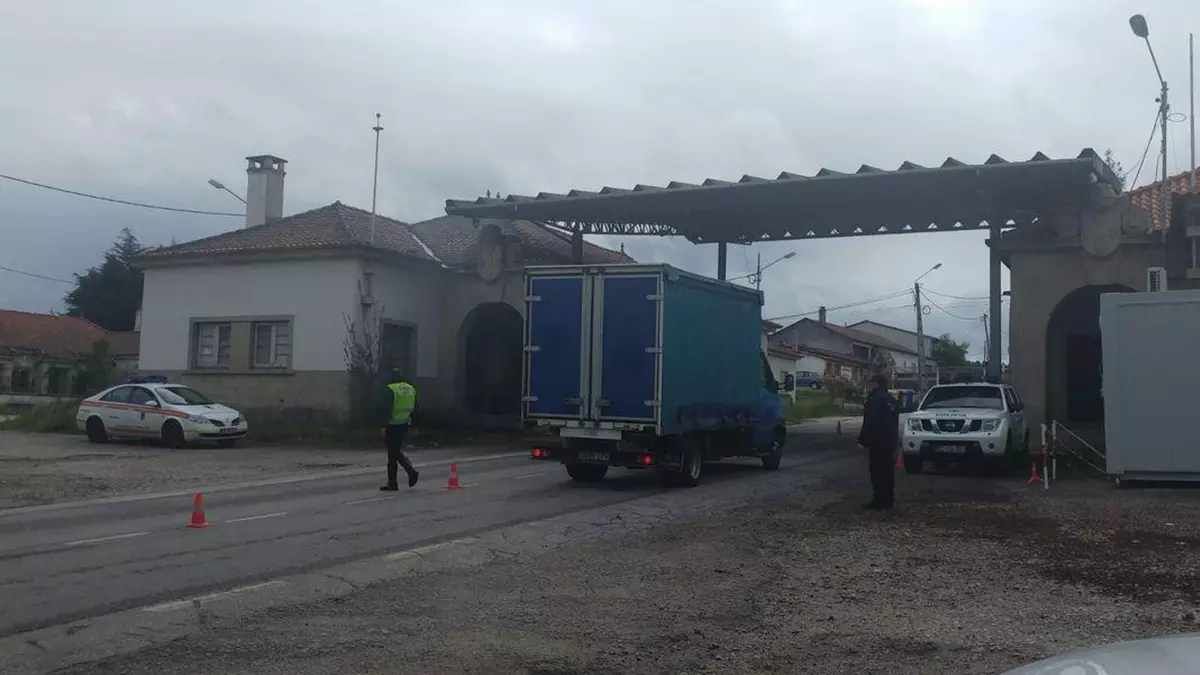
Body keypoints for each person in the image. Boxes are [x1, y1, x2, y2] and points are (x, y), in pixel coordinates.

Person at [858, 374, 899, 510]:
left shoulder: (874, 399)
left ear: (876, 383)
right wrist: (894, 443)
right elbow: (894, 423)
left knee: (877, 472)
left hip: (877, 441)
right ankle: (889, 499)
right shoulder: (891, 400)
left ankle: (879, 501)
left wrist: (863, 440)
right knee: (888, 471)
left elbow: (870, 421)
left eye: (871, 382)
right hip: (889, 441)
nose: (869, 385)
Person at [379, 367, 420, 490]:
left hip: (392, 425)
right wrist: (415, 425)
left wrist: (383, 425)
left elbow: (386, 408)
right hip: (404, 424)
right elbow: (416, 408)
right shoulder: (410, 388)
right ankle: (393, 482)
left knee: (393, 453)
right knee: (394, 453)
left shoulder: (391, 389)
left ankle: (410, 472)